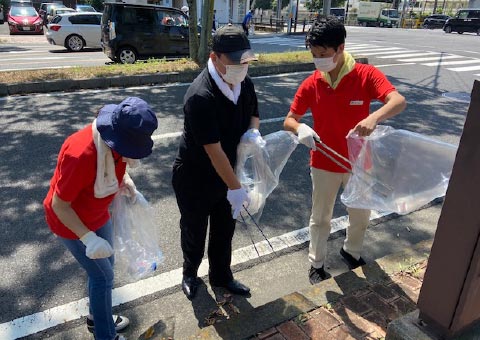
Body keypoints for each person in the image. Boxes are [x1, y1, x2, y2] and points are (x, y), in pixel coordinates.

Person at [283, 17, 406, 285]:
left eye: (323, 54)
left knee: (360, 215)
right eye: (314, 55)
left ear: (340, 48)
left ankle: (352, 252)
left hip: (359, 161)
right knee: (320, 218)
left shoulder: (365, 75)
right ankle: (316, 263)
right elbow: (289, 120)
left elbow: (397, 101)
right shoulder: (312, 83)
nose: (318, 60)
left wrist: (374, 118)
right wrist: (300, 129)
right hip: (323, 161)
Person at [43, 97, 158, 340]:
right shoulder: (81, 153)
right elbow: (59, 205)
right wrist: (88, 239)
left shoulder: (114, 145)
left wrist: (124, 183)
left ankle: (98, 317)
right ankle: (105, 335)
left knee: (108, 264)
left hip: (97, 214)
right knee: (102, 276)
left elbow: (116, 167)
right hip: (71, 222)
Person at [172, 24, 260, 300]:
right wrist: (236, 187)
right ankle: (189, 273)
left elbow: (253, 111)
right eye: (234, 61)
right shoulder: (201, 95)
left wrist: (252, 133)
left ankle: (222, 276)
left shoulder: (244, 80)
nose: (241, 66)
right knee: (194, 230)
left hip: (228, 173)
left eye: (244, 60)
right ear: (215, 57)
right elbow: (214, 150)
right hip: (196, 176)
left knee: (225, 230)